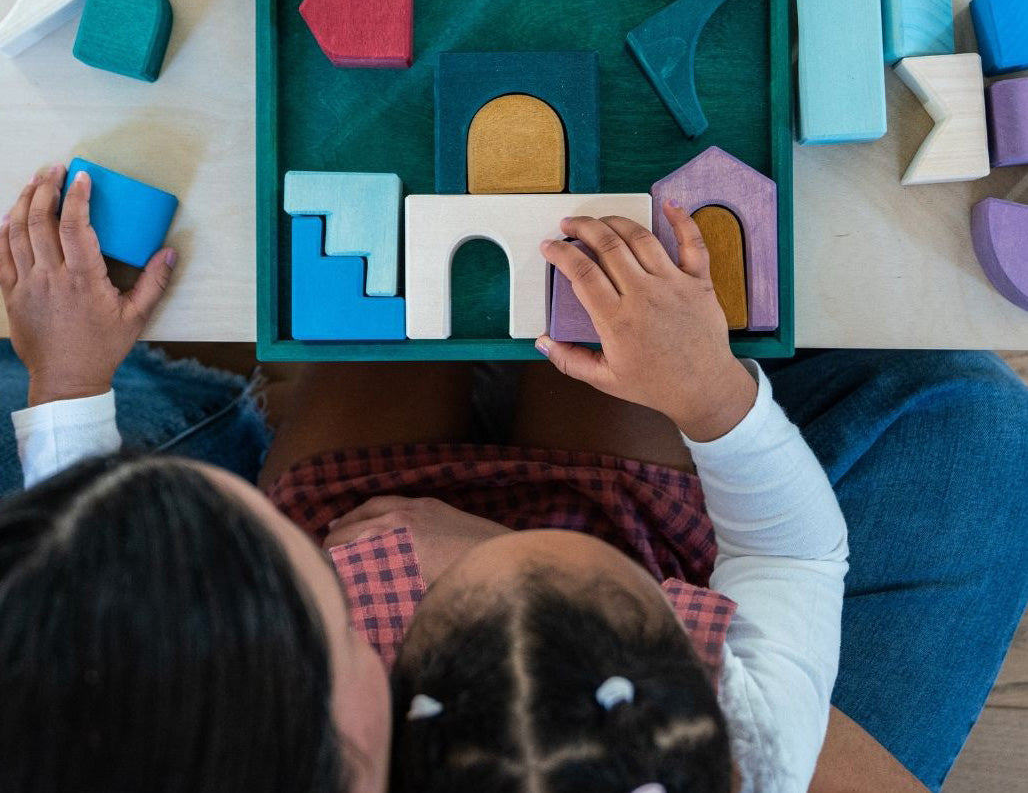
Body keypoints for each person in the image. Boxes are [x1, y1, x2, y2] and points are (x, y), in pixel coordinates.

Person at [0, 163, 1026, 793]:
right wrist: (708, 391)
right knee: (967, 417)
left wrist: (68, 384)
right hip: (628, 513)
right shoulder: (731, 741)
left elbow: (102, 633)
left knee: (377, 292)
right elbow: (789, 552)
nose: (465, 543)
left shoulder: (196, 724)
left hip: (367, 496)